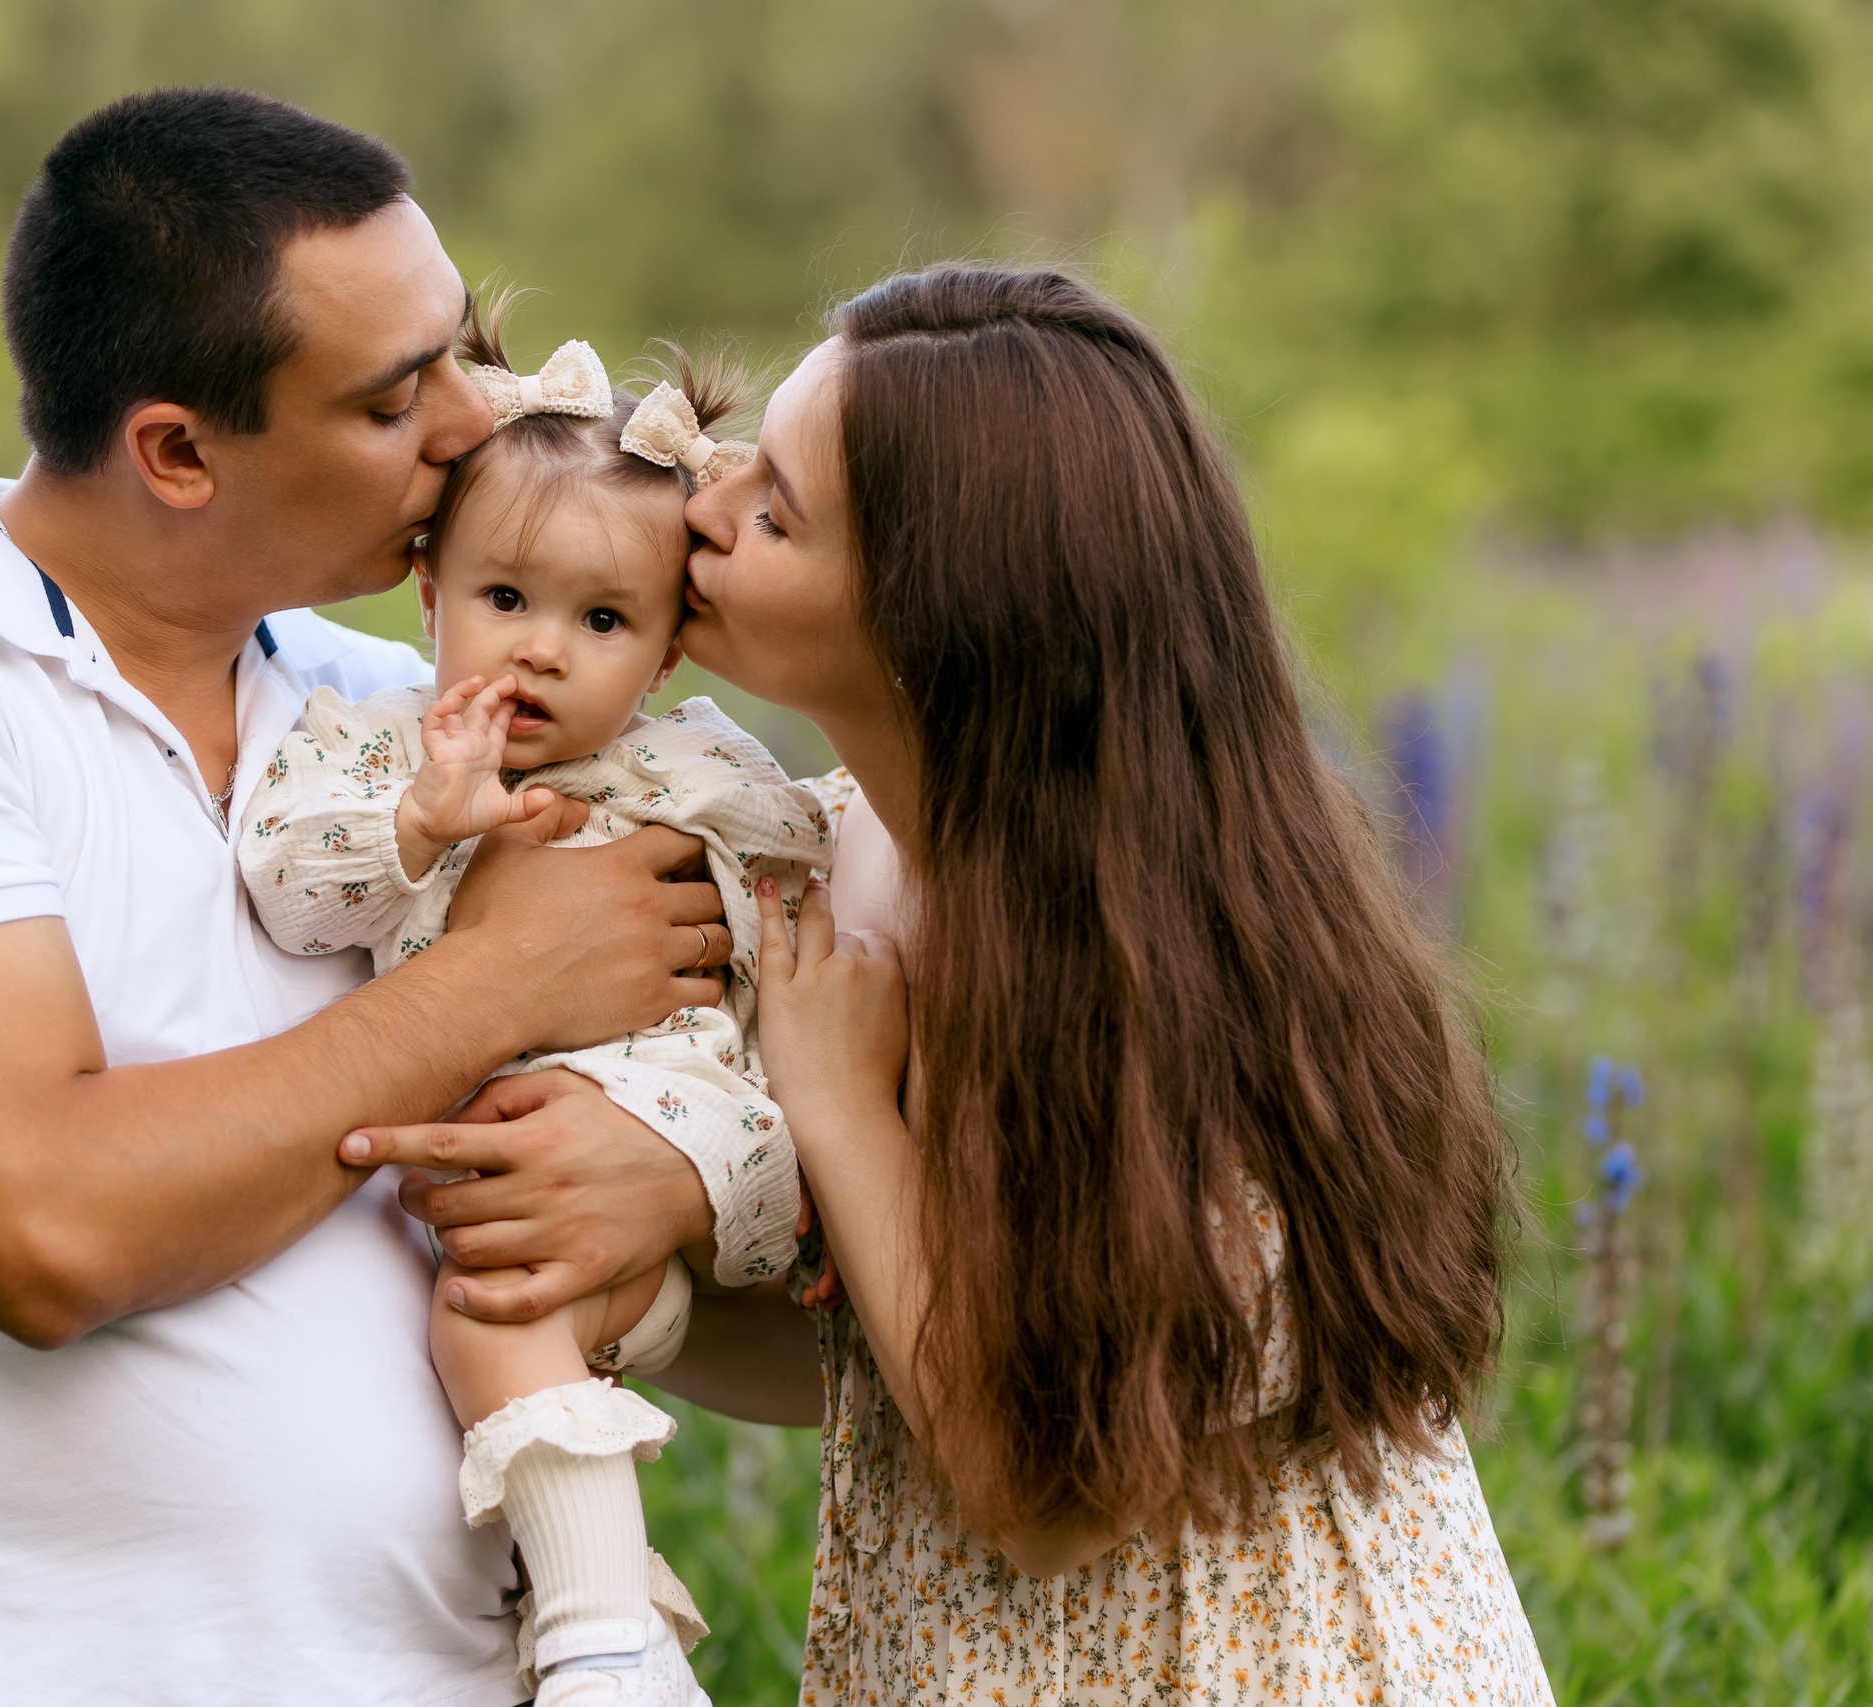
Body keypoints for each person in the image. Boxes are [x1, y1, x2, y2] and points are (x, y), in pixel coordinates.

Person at [353, 264, 1556, 1702]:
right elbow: (884, 1367)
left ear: (941, 618)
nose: (705, 501)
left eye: (777, 510)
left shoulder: (1160, 976)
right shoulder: (829, 855)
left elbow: (1048, 1492)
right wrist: (630, 1278)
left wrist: (841, 1104)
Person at [0, 88, 744, 1707]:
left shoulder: (394, 699)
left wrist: (657, 1189)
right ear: (177, 450)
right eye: (399, 400)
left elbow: (716, 1266)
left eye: (462, 352)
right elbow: (45, 1229)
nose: (476, 423)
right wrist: (500, 980)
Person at [238, 298, 827, 1705]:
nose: (543, 650)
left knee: (490, 1302)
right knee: (486, 1309)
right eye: (506, 600)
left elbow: (803, 865)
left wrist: (738, 892)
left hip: (694, 1137)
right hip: (516, 1200)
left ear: (667, 654)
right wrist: (419, 832)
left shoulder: (692, 764)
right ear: (428, 593)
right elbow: (286, 889)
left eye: (603, 618)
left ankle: (597, 1632)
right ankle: (606, 1643)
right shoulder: (380, 750)